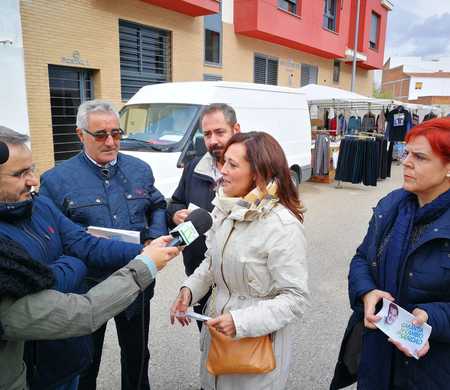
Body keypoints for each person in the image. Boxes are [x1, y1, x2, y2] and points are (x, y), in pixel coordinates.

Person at [0, 126, 148, 390]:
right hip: (33, 371)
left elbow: (82, 243)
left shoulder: (40, 206)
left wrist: (144, 251)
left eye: (31, 168)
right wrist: (74, 264)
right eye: (20, 173)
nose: (33, 180)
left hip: (69, 354)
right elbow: (63, 295)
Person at [40, 100, 167, 390]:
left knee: (137, 356)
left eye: (116, 133)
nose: (110, 142)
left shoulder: (139, 170)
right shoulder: (56, 181)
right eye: (100, 135)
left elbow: (157, 204)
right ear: (80, 134)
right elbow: (52, 238)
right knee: (85, 360)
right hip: (87, 289)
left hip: (137, 284)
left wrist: (154, 235)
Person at [170, 131, 309, 390]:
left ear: (258, 173)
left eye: (232, 165)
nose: (222, 170)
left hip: (256, 353)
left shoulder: (282, 226)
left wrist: (240, 322)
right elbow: (211, 264)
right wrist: (189, 290)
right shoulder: (224, 208)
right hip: (217, 343)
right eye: (223, 162)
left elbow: (295, 299)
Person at [334, 118, 450, 390]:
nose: (406, 162)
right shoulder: (392, 206)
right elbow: (362, 258)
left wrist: (431, 317)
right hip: (377, 357)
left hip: (432, 370)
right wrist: (366, 292)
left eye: (420, 157)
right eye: (407, 153)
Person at [0, 235, 180, 390]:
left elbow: (80, 240)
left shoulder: (40, 204)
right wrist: (145, 263)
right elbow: (85, 312)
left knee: (135, 355)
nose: (33, 193)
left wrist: (146, 248)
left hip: (123, 295)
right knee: (88, 365)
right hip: (50, 348)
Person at [167, 103, 240, 330]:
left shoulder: (251, 172)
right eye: (207, 134)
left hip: (236, 281)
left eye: (220, 132)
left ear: (236, 129)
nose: (213, 140)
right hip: (199, 271)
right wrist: (175, 214)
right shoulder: (193, 167)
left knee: (239, 352)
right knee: (209, 344)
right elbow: (176, 201)